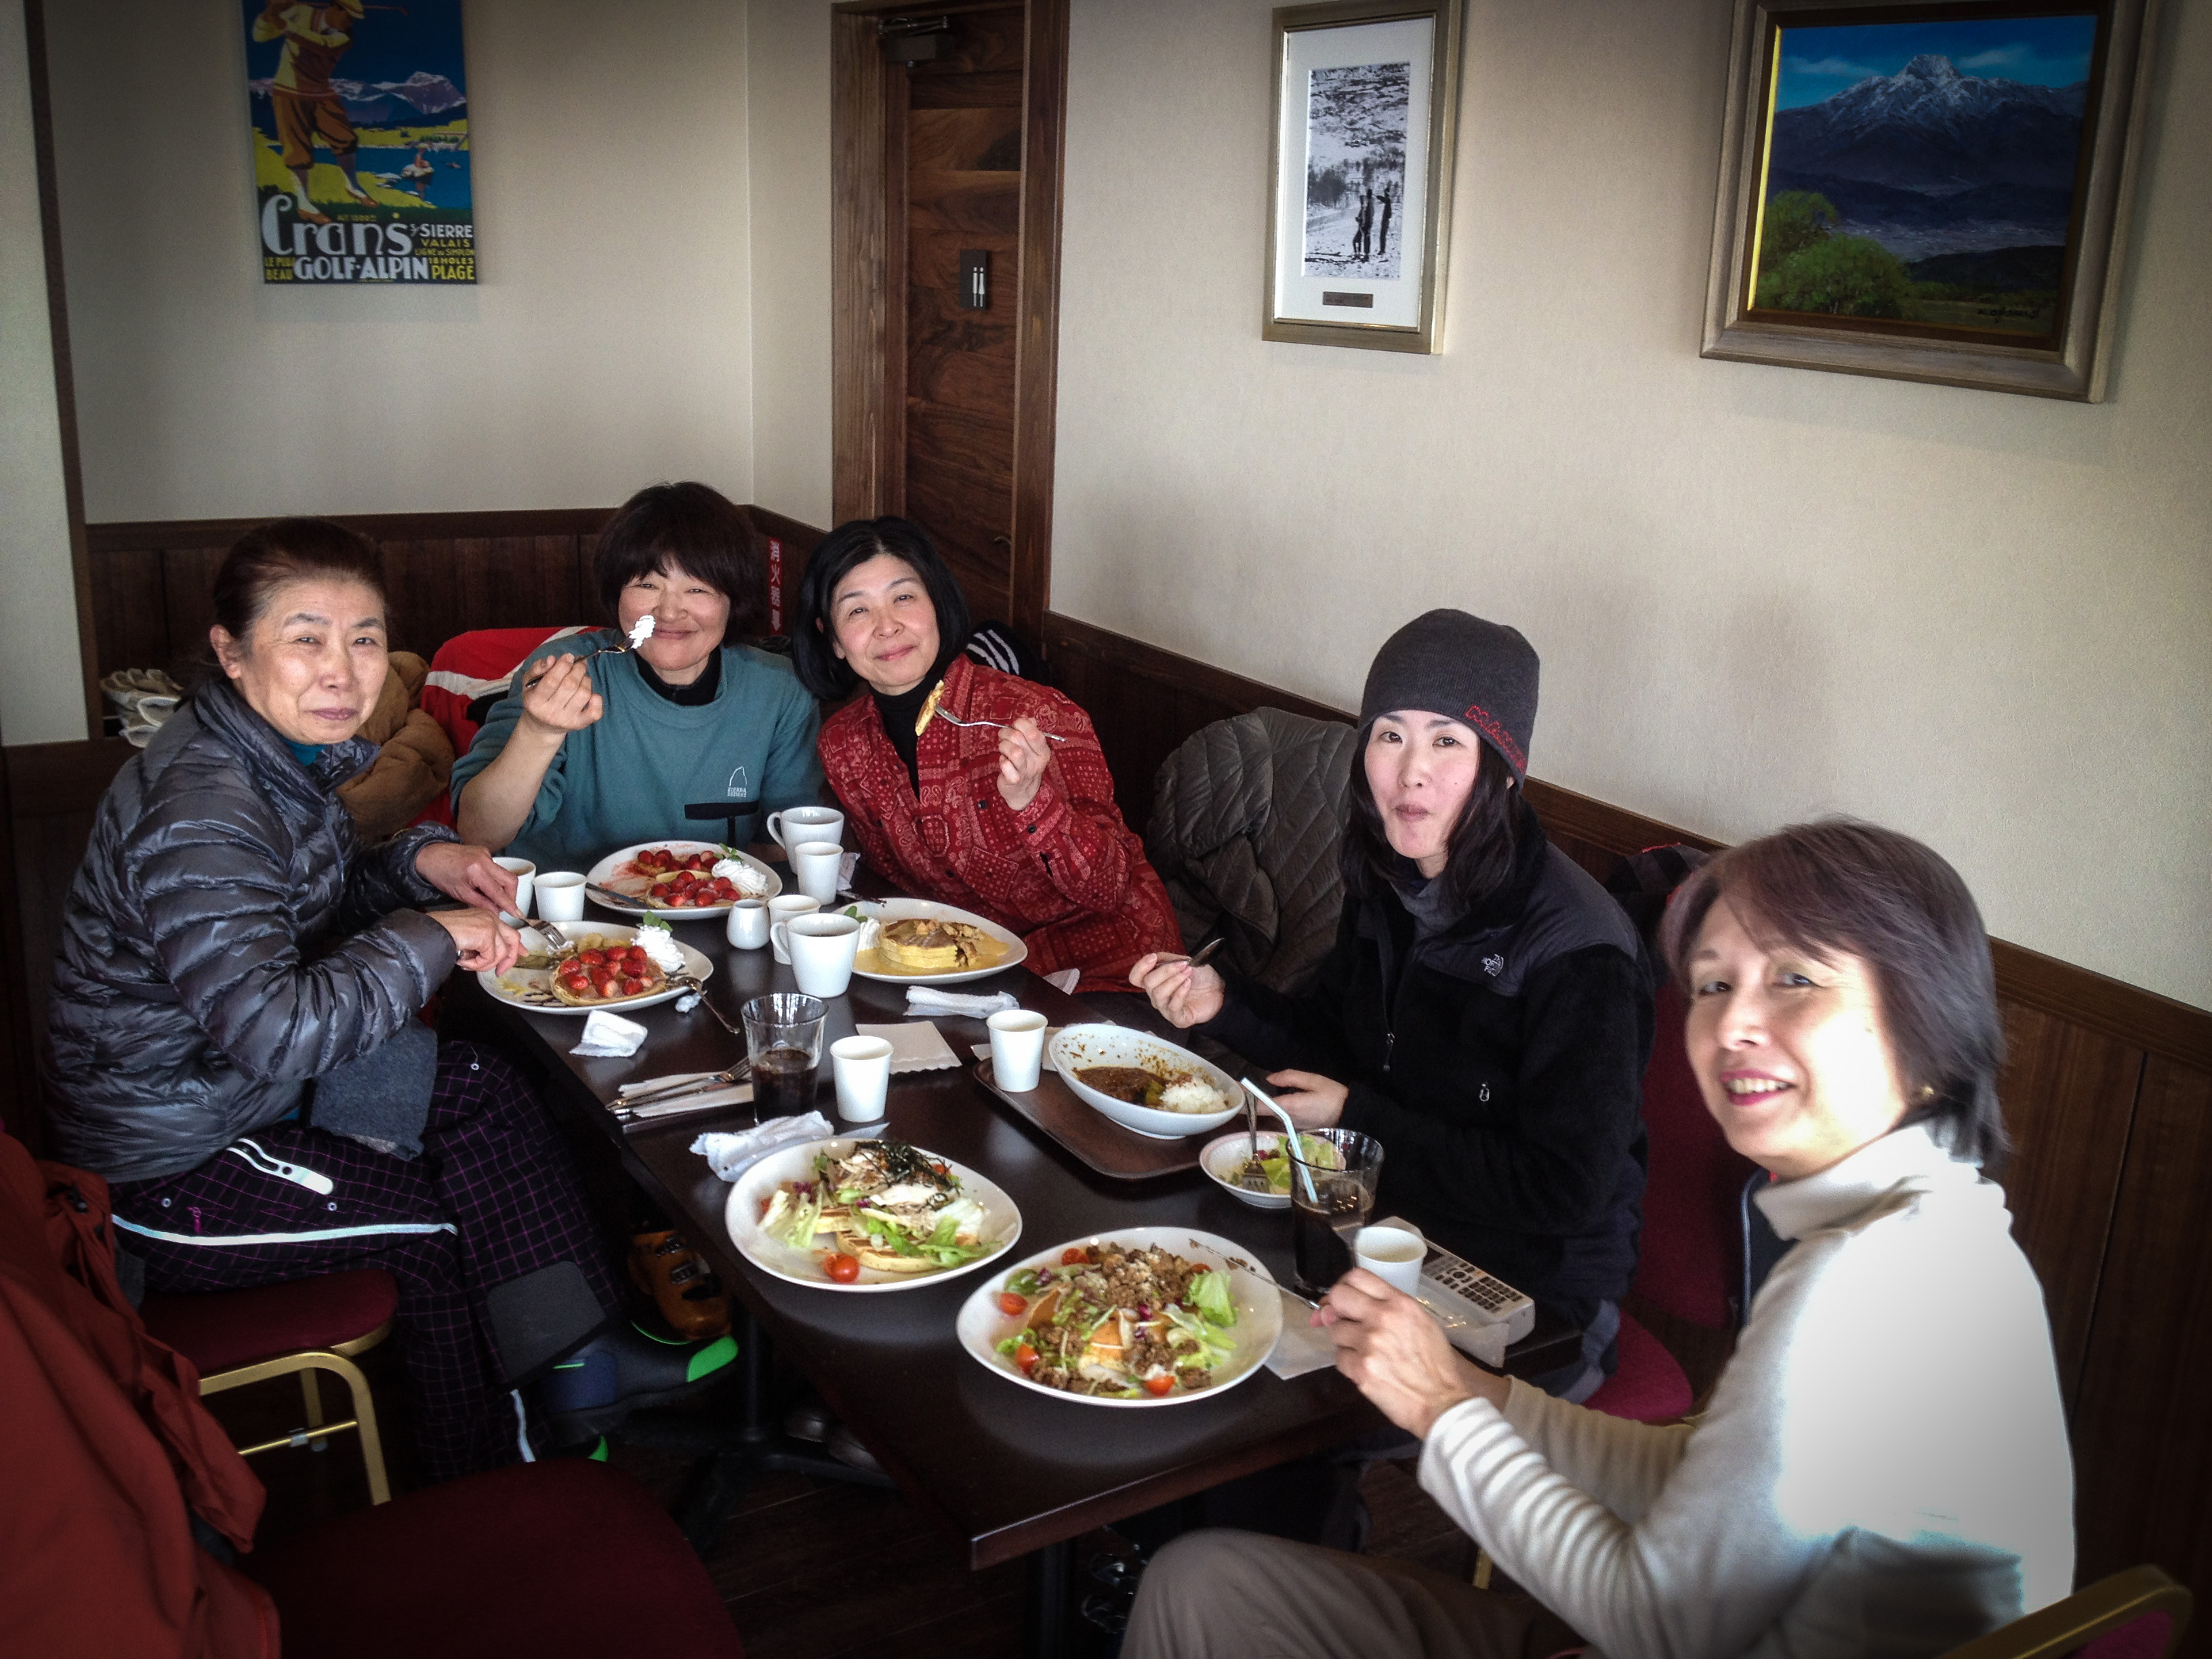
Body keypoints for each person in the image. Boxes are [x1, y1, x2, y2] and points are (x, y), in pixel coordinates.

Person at [1125, 819, 2076, 1659]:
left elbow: (1661, 1625)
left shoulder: (1872, 1285)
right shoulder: (1932, 1235)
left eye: (1795, 979)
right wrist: (1477, 1393)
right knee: (1200, 1580)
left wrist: (1440, 1410)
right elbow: (1689, 1481)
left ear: (1926, 1022)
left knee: (1207, 1577)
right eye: (1712, 984)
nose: (1734, 1023)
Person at [43, 518, 735, 1481]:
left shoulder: (274, 757)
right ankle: (488, 1474)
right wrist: (431, 935)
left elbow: (306, 910)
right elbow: (274, 1028)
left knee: (485, 1089)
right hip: (168, 1167)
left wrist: (421, 864)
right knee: (433, 1222)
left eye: (364, 638)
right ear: (231, 652)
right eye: (306, 638)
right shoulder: (203, 805)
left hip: (241, 1094)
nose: (343, 671)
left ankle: (581, 1362)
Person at [1132, 609, 1649, 1399]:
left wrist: (1361, 1120)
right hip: (1389, 1225)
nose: (1411, 772)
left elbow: (1561, 1189)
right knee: (1177, 1307)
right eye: (1390, 735)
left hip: (1538, 1295)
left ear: (1503, 767)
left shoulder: (1579, 949)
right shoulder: (1389, 880)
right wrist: (1222, 1004)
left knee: (1266, 1391)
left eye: (1447, 741)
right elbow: (1334, 1046)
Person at [790, 516, 1181, 990]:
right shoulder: (844, 743)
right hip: (967, 971)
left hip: (1111, 972)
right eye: (857, 610)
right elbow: (898, 887)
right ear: (832, 638)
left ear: (937, 604)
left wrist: (1033, 801)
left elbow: (1108, 887)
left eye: (904, 597)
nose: (887, 626)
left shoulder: (1038, 715)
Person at [453, 481, 825, 869]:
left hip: (715, 904)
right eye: (647, 584)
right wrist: (538, 731)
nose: (669, 612)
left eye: (698, 589)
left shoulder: (778, 692)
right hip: (565, 905)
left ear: (734, 600)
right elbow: (480, 832)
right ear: (617, 592)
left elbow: (784, 845)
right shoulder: (566, 671)